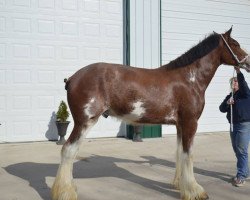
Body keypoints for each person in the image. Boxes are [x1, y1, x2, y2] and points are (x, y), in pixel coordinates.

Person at [219, 67, 250, 187]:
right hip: (233, 125)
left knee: (242, 150)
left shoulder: (245, 93)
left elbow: (242, 82)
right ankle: (245, 172)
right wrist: (228, 103)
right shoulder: (230, 96)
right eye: (232, 82)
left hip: (244, 125)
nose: (234, 83)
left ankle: (241, 176)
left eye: (236, 81)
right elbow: (221, 109)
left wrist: (238, 72)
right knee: (237, 150)